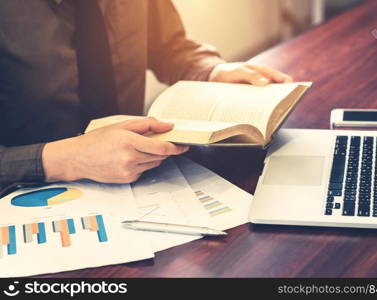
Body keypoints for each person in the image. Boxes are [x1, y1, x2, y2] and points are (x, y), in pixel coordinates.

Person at [0, 0, 292, 194]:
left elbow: (166, 45)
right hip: (27, 195)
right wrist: (68, 159)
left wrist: (212, 70)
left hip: (139, 176)